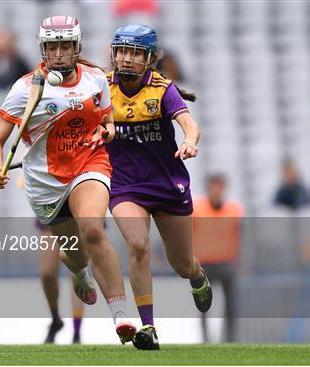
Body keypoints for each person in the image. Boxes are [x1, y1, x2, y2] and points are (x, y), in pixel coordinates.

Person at [0, 16, 137, 345]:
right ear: (43, 49)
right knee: (75, 254)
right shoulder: (25, 89)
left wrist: (106, 131)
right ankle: (80, 272)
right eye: (52, 46)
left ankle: (121, 316)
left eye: (65, 45)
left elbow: (108, 122)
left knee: (93, 230)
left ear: (76, 46)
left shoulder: (96, 79)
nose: (59, 52)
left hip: (89, 165)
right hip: (45, 184)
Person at [105, 25, 213, 350]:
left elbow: (189, 124)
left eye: (135, 53)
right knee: (138, 245)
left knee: (181, 264)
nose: (127, 59)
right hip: (124, 185)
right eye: (122, 51)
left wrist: (190, 142)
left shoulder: (162, 90)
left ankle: (197, 275)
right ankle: (148, 326)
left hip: (166, 183)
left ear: (149, 58)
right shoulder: (101, 88)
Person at [193, 174, 244, 343]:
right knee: (203, 306)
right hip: (204, 264)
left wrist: (240, 259)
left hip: (226, 263)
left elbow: (240, 236)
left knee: (231, 306)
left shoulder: (234, 210)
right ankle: (206, 340)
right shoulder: (197, 209)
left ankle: (231, 340)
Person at [37, 221, 85, 344]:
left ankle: (76, 332)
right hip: (51, 208)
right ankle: (55, 319)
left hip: (80, 211)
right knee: (47, 273)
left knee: (77, 272)